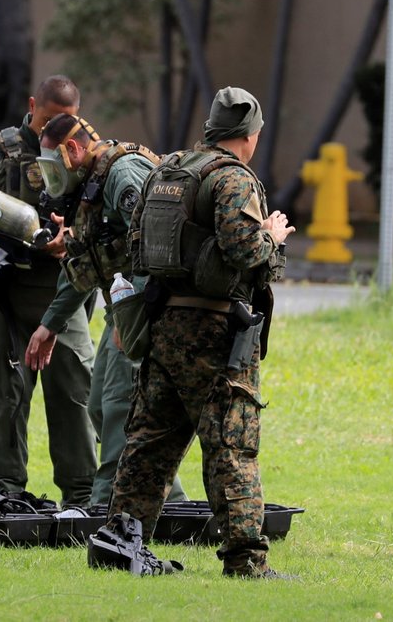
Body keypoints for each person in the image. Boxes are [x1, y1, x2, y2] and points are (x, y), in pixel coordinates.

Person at [99, 86, 294, 578]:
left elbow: (136, 245)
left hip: (165, 325)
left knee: (150, 441)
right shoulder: (232, 179)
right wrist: (270, 236)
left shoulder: (169, 170)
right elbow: (244, 251)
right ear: (250, 133)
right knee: (232, 444)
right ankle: (246, 559)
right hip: (215, 332)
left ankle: (119, 544)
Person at [24, 113, 188, 506]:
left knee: (118, 408)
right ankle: (171, 502)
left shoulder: (122, 175)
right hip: (126, 309)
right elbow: (89, 263)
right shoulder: (93, 184)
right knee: (102, 406)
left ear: (74, 150)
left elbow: (157, 247)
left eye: (51, 165)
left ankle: (105, 510)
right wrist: (51, 324)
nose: (50, 176)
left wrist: (136, 313)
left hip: (141, 308)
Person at [0, 76, 98, 508]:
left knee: (75, 396)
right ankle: (4, 493)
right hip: (9, 292)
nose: (53, 137)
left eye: (65, 124)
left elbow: (102, 219)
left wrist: (72, 239)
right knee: (6, 394)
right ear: (31, 106)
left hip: (64, 292)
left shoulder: (84, 155)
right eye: (46, 122)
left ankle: (82, 495)